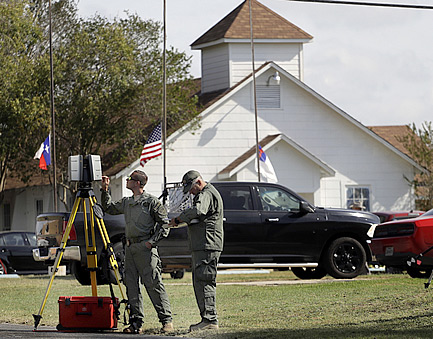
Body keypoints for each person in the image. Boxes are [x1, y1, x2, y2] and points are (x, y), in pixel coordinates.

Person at [101, 170, 173, 334]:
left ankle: (166, 321)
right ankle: (136, 323)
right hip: (130, 249)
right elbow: (109, 208)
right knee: (131, 286)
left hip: (145, 250)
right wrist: (105, 190)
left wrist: (151, 243)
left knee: (154, 285)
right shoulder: (127, 202)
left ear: (138, 183)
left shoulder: (151, 202)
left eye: (130, 179)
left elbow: (164, 225)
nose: (127, 181)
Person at [168, 170, 224, 332]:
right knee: (202, 280)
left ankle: (210, 320)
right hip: (205, 244)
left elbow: (198, 210)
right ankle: (208, 318)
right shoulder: (206, 192)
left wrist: (179, 219)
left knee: (204, 280)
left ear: (198, 183)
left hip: (207, 244)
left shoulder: (206, 193)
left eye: (192, 189)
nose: (191, 193)